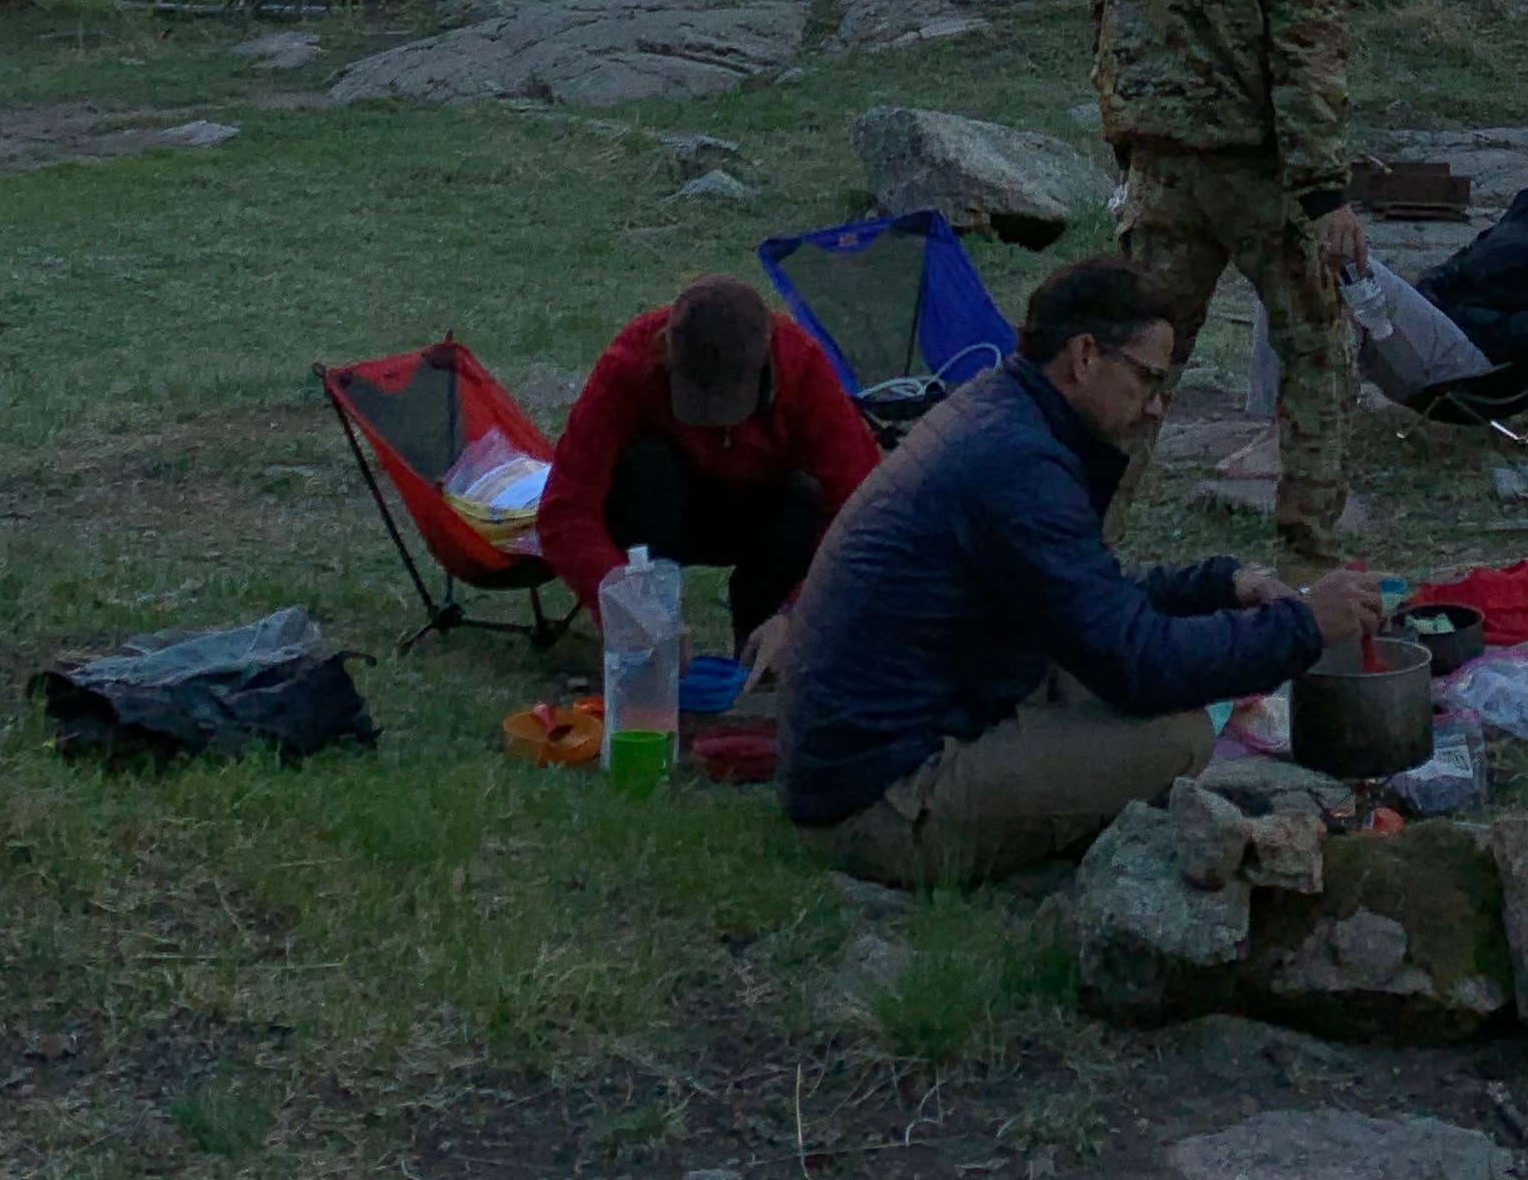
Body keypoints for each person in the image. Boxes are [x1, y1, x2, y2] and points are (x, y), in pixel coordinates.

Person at [775, 255, 1381, 884]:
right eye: (1149, 380)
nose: (1155, 408)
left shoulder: (1003, 413)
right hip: (880, 803)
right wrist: (1303, 625)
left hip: (887, 738)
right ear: (1086, 356)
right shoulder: (1017, 464)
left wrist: (1220, 585)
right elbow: (1140, 663)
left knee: (1116, 690)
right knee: (1176, 737)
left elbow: (1086, 599)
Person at [1089, 0, 1363, 564]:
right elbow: (1306, 56)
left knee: (1133, 371)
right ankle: (1310, 552)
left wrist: (1129, 155)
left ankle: (1081, 551)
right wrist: (1326, 196)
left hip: (1159, 175)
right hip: (1262, 175)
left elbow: (1106, 32)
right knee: (1318, 354)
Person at [537, 275, 878, 672]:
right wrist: (627, 605)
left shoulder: (802, 364)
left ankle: (761, 646)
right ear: (667, 350)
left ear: (766, 360)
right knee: (647, 467)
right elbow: (565, 510)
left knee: (804, 496)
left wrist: (800, 615)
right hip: (663, 511)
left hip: (763, 514)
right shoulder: (629, 361)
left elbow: (861, 511)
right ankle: (649, 642)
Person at [1248, 108, 1528, 418]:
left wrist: (1489, 325)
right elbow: (1464, 264)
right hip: (1438, 337)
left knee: (1321, 253)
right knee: (1292, 259)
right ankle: (1269, 422)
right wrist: (1427, 299)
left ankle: (1275, 437)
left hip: (1482, 373)